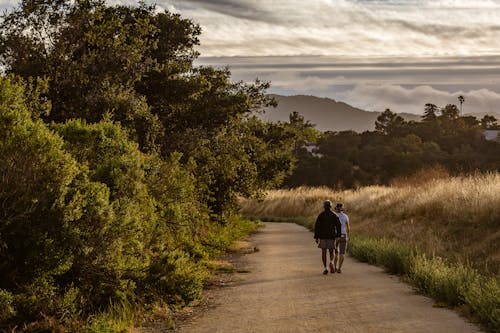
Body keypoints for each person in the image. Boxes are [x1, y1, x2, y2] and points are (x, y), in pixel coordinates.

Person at [314, 200, 341, 274]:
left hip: (322, 237)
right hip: (331, 236)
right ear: (331, 206)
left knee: (324, 252)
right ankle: (331, 262)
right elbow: (339, 226)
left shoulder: (321, 215)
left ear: (324, 206)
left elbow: (317, 227)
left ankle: (325, 268)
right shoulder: (334, 215)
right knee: (332, 251)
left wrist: (316, 237)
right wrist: (338, 236)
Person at [333, 202, 350, 273]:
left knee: (336, 252)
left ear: (336, 207)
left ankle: (334, 267)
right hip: (343, 235)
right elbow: (348, 227)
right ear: (342, 208)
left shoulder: (333, 215)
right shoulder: (345, 216)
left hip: (335, 235)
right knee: (342, 253)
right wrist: (348, 236)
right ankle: (339, 268)